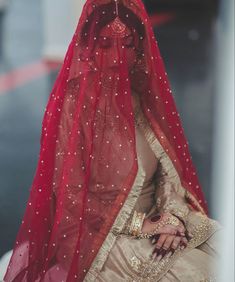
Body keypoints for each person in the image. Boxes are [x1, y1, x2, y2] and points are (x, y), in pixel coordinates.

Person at [3, 0, 222, 281]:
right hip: (99, 235)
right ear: (90, 48)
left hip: (157, 220)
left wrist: (172, 218)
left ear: (139, 48)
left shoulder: (144, 98)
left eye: (128, 43)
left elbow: (169, 176)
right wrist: (142, 225)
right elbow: (71, 200)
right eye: (106, 44)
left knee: (222, 249)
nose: (118, 54)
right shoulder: (75, 107)